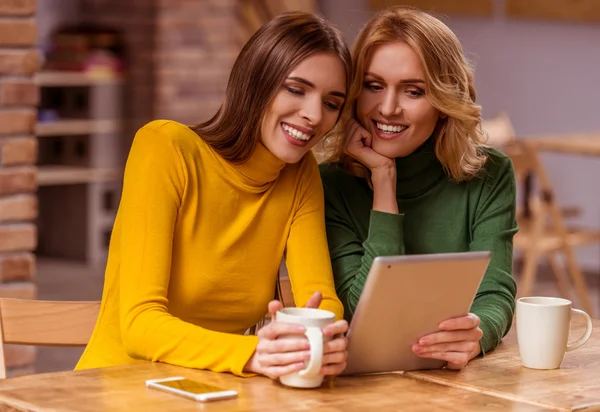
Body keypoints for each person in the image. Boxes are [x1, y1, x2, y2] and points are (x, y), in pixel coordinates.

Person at [76, 11, 351, 379]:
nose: (314, 115)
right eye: (296, 89)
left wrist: (326, 336)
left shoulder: (299, 176)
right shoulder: (165, 148)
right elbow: (140, 325)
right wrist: (253, 354)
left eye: (332, 103)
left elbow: (318, 296)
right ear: (256, 83)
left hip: (214, 393)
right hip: (115, 388)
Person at [320, 6, 517, 370]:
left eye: (413, 91)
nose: (388, 108)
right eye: (374, 86)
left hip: (456, 384)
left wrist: (477, 333)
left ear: (444, 101)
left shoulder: (490, 174)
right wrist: (383, 181)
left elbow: (494, 292)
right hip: (362, 387)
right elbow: (362, 311)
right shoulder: (330, 185)